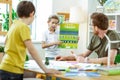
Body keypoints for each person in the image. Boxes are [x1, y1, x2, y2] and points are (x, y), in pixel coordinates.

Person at [0, 1, 60, 80]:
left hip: (5, 67)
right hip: (13, 71)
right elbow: (32, 50)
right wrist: (45, 69)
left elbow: (6, 43)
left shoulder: (14, 25)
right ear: (32, 13)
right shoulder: (24, 27)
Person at [56, 12, 120, 65]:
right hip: (101, 67)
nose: (91, 27)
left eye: (92, 25)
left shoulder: (112, 36)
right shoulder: (95, 37)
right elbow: (84, 54)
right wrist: (65, 57)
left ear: (96, 27)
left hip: (113, 69)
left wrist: (86, 60)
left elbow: (111, 60)